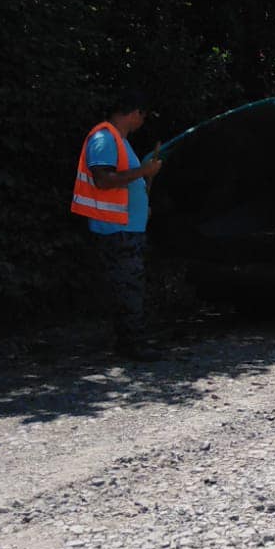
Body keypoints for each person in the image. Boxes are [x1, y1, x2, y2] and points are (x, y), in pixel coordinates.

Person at [71, 89, 163, 360]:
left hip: (125, 227)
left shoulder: (118, 140)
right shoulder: (104, 138)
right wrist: (145, 172)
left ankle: (128, 341)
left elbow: (122, 182)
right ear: (135, 113)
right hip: (116, 229)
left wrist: (142, 206)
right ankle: (132, 345)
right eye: (143, 117)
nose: (142, 122)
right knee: (128, 288)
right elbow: (104, 180)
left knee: (127, 286)